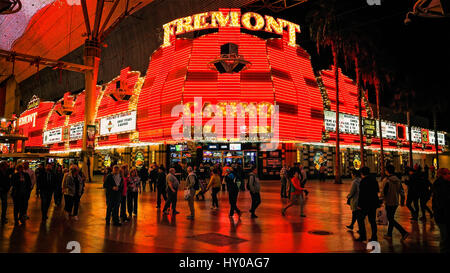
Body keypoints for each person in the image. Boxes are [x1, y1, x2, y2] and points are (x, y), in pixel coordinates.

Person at [381, 165, 409, 241]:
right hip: (396, 202)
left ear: (387, 171)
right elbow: (402, 192)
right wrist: (402, 201)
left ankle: (403, 232)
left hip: (388, 202)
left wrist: (381, 200)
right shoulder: (398, 180)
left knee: (391, 219)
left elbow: (383, 192)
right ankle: (389, 234)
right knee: (391, 218)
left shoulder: (386, 180)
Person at [356, 166, 379, 242]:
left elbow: (362, 194)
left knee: (360, 219)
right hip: (373, 203)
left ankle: (363, 236)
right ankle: (374, 236)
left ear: (362, 173)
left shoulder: (363, 181)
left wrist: (359, 205)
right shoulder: (374, 180)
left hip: (365, 204)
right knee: (372, 220)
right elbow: (377, 190)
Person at [432, 168, 450, 253]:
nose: (449, 175)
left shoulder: (445, 184)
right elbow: (441, 202)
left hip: (443, 214)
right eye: (447, 174)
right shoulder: (440, 185)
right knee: (445, 237)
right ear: (441, 175)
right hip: (442, 215)